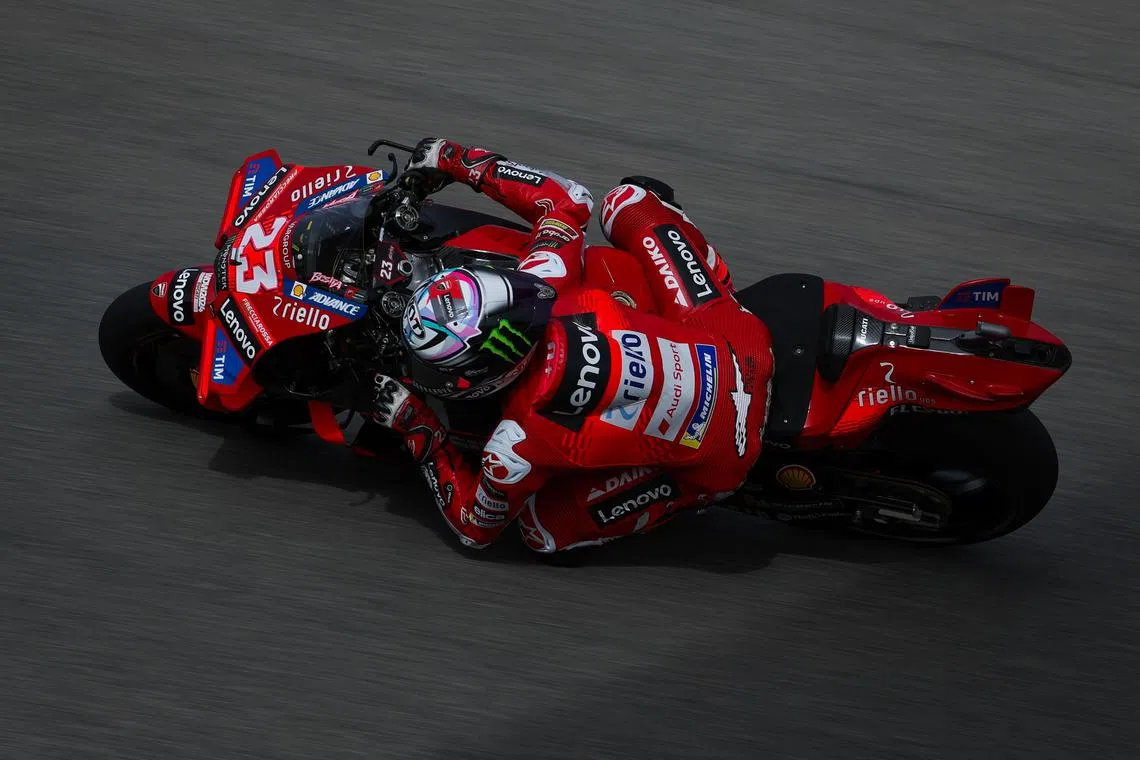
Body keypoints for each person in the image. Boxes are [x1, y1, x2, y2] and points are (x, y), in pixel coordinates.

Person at [367, 137, 774, 553]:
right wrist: (456, 160)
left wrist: (417, 425)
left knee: (541, 530)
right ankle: (715, 277)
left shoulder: (515, 442)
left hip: (728, 451)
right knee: (627, 202)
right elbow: (569, 198)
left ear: (485, 376)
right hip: (739, 342)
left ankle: (697, 493)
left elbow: (475, 526)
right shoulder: (547, 279)